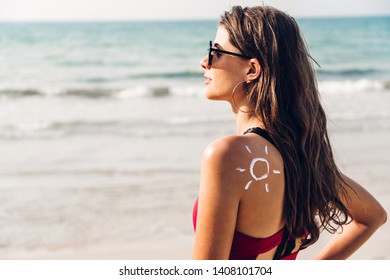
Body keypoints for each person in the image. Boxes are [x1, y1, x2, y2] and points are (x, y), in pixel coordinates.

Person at [192, 5, 387, 260]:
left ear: (252, 69)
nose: (205, 61)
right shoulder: (303, 158)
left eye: (215, 51)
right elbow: (373, 216)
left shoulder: (227, 155)